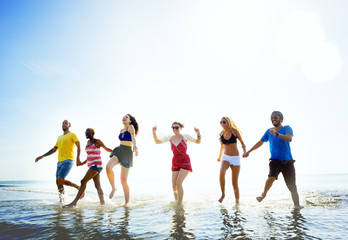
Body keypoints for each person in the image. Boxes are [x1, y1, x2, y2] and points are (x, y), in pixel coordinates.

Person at [243, 111, 300, 208]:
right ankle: (263, 194)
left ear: (280, 119)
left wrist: (277, 134)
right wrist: (249, 151)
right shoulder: (269, 131)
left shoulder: (286, 128)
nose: (274, 119)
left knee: (292, 188)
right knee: (272, 176)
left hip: (288, 162)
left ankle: (297, 207)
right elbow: (260, 142)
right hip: (275, 161)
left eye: (276, 117)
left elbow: (289, 138)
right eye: (272, 118)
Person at [152, 122, 201, 204]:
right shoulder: (170, 138)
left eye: (177, 127)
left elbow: (198, 141)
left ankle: (179, 203)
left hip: (185, 160)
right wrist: (154, 132)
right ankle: (176, 202)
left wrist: (198, 133)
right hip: (175, 161)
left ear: (181, 128)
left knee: (179, 182)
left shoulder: (185, 136)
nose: (175, 129)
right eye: (173, 128)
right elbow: (157, 142)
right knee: (174, 185)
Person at [63, 128, 112, 208]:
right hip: (91, 165)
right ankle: (103, 204)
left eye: (87, 132)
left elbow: (106, 149)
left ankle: (74, 203)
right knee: (97, 186)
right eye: (85, 132)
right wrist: (82, 162)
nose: (86, 133)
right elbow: (89, 156)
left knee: (83, 181)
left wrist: (116, 152)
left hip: (96, 165)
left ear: (92, 133)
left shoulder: (97, 141)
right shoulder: (87, 143)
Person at [35, 120, 82, 203]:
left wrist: (78, 158)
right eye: (63, 123)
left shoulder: (72, 134)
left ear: (69, 125)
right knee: (58, 182)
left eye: (65, 123)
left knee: (60, 179)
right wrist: (42, 156)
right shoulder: (59, 137)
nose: (63, 124)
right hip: (59, 162)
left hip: (68, 160)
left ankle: (78, 187)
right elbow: (54, 149)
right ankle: (62, 201)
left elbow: (78, 146)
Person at [106, 114, 139, 205]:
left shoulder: (130, 127)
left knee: (123, 180)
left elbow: (133, 138)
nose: (124, 118)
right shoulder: (121, 130)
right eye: (123, 117)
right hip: (119, 150)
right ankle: (113, 188)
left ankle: (126, 203)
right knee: (108, 167)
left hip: (127, 152)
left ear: (130, 121)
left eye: (126, 117)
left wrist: (135, 147)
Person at [217, 117, 246, 204]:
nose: (222, 124)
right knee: (222, 172)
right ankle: (223, 194)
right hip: (225, 157)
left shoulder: (234, 131)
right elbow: (222, 147)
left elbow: (242, 142)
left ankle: (237, 202)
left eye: (224, 122)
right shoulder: (221, 133)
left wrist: (245, 152)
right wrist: (219, 157)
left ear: (228, 122)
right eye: (221, 122)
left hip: (235, 158)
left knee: (234, 183)